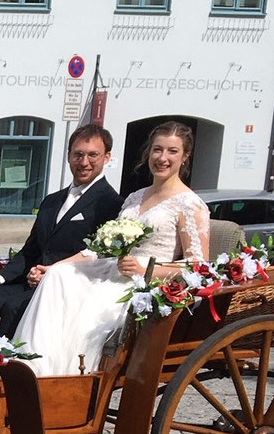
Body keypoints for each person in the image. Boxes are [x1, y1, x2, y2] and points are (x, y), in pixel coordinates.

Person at [12, 120, 211, 375]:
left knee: (87, 312)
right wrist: (53, 267)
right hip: (113, 269)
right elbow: (99, 249)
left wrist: (145, 270)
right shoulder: (135, 197)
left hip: (146, 282)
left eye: (172, 151)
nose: (162, 158)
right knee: (58, 277)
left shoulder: (190, 204)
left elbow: (198, 266)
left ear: (185, 156)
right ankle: (34, 368)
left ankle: (73, 379)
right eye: (157, 149)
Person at [0, 124, 122, 336]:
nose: (84, 162)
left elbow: (100, 259)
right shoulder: (51, 201)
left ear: (106, 157)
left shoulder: (112, 204)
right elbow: (30, 251)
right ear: (68, 156)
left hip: (67, 290)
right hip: (29, 285)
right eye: (78, 155)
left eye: (92, 155)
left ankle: (3, 358)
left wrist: (51, 274)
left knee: (15, 309)